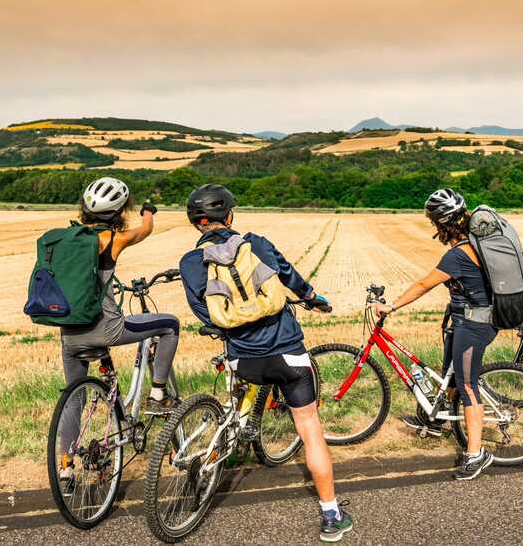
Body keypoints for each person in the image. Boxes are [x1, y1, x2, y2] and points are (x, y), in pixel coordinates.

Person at [179, 184, 353, 542]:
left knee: (237, 397)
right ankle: (332, 514)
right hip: (288, 353)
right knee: (310, 430)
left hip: (241, 359)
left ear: (196, 223)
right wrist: (313, 297)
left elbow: (206, 314)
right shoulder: (256, 243)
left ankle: (224, 441)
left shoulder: (190, 263)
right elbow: (290, 277)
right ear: (229, 216)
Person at [59, 177, 181, 487]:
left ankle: (65, 465)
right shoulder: (112, 239)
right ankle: (157, 394)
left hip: (70, 336)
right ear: (119, 211)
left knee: (74, 398)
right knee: (170, 325)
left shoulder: (66, 240)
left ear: (84, 209)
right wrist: (149, 210)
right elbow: (145, 229)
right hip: (108, 331)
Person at [374, 188, 496, 481]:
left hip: (474, 325)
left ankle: (475, 454)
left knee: (467, 386)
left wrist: (390, 305)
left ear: (442, 224)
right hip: (463, 321)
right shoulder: (473, 244)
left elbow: (423, 284)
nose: (433, 229)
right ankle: (435, 419)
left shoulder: (458, 255)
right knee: (452, 376)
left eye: (434, 223)